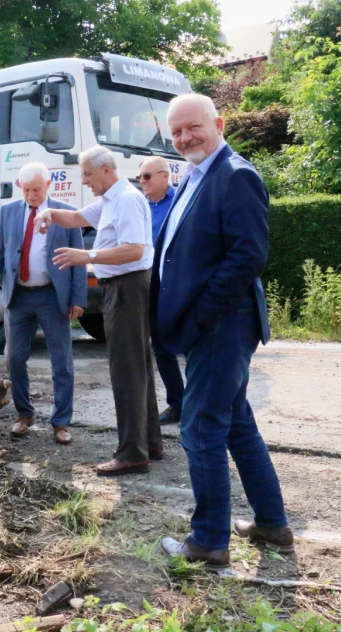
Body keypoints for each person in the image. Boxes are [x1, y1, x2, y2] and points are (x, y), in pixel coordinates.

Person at [154, 94, 291, 568]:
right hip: (214, 325)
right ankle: (272, 524)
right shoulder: (196, 175)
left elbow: (247, 256)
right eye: (176, 132)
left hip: (223, 325)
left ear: (218, 122)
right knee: (236, 424)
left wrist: (200, 317)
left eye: (193, 127)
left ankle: (208, 540)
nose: (185, 137)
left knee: (200, 428)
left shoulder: (236, 175)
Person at [35, 146, 161, 476]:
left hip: (128, 287)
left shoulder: (127, 200)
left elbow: (134, 250)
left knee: (127, 369)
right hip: (125, 287)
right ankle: (150, 441)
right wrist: (49, 213)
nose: (85, 180)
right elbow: (77, 217)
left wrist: (87, 256)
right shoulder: (110, 199)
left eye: (88, 174)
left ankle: (133, 453)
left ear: (106, 170)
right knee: (139, 365)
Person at [0, 162, 87, 445]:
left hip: (52, 295)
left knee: (62, 360)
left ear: (48, 185)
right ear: (19, 186)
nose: (31, 195)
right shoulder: (9, 212)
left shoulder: (66, 213)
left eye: (36, 189)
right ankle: (24, 415)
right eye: (26, 190)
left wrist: (78, 299)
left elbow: (79, 262)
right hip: (19, 296)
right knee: (14, 358)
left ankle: (61, 422)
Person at [138, 157, 184, 425]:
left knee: (191, 345)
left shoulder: (181, 202)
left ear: (165, 176)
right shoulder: (141, 206)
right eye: (140, 177)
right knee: (161, 346)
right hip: (151, 284)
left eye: (147, 176)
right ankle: (177, 404)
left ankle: (203, 405)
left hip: (179, 284)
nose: (142, 182)